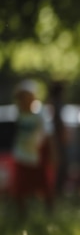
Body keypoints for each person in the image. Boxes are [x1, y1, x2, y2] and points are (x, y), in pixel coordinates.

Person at [11, 79, 56, 218]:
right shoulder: (17, 113)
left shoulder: (41, 113)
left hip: (37, 156)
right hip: (21, 155)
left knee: (44, 187)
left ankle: (50, 216)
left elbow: (49, 136)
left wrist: (53, 155)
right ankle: (22, 217)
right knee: (20, 189)